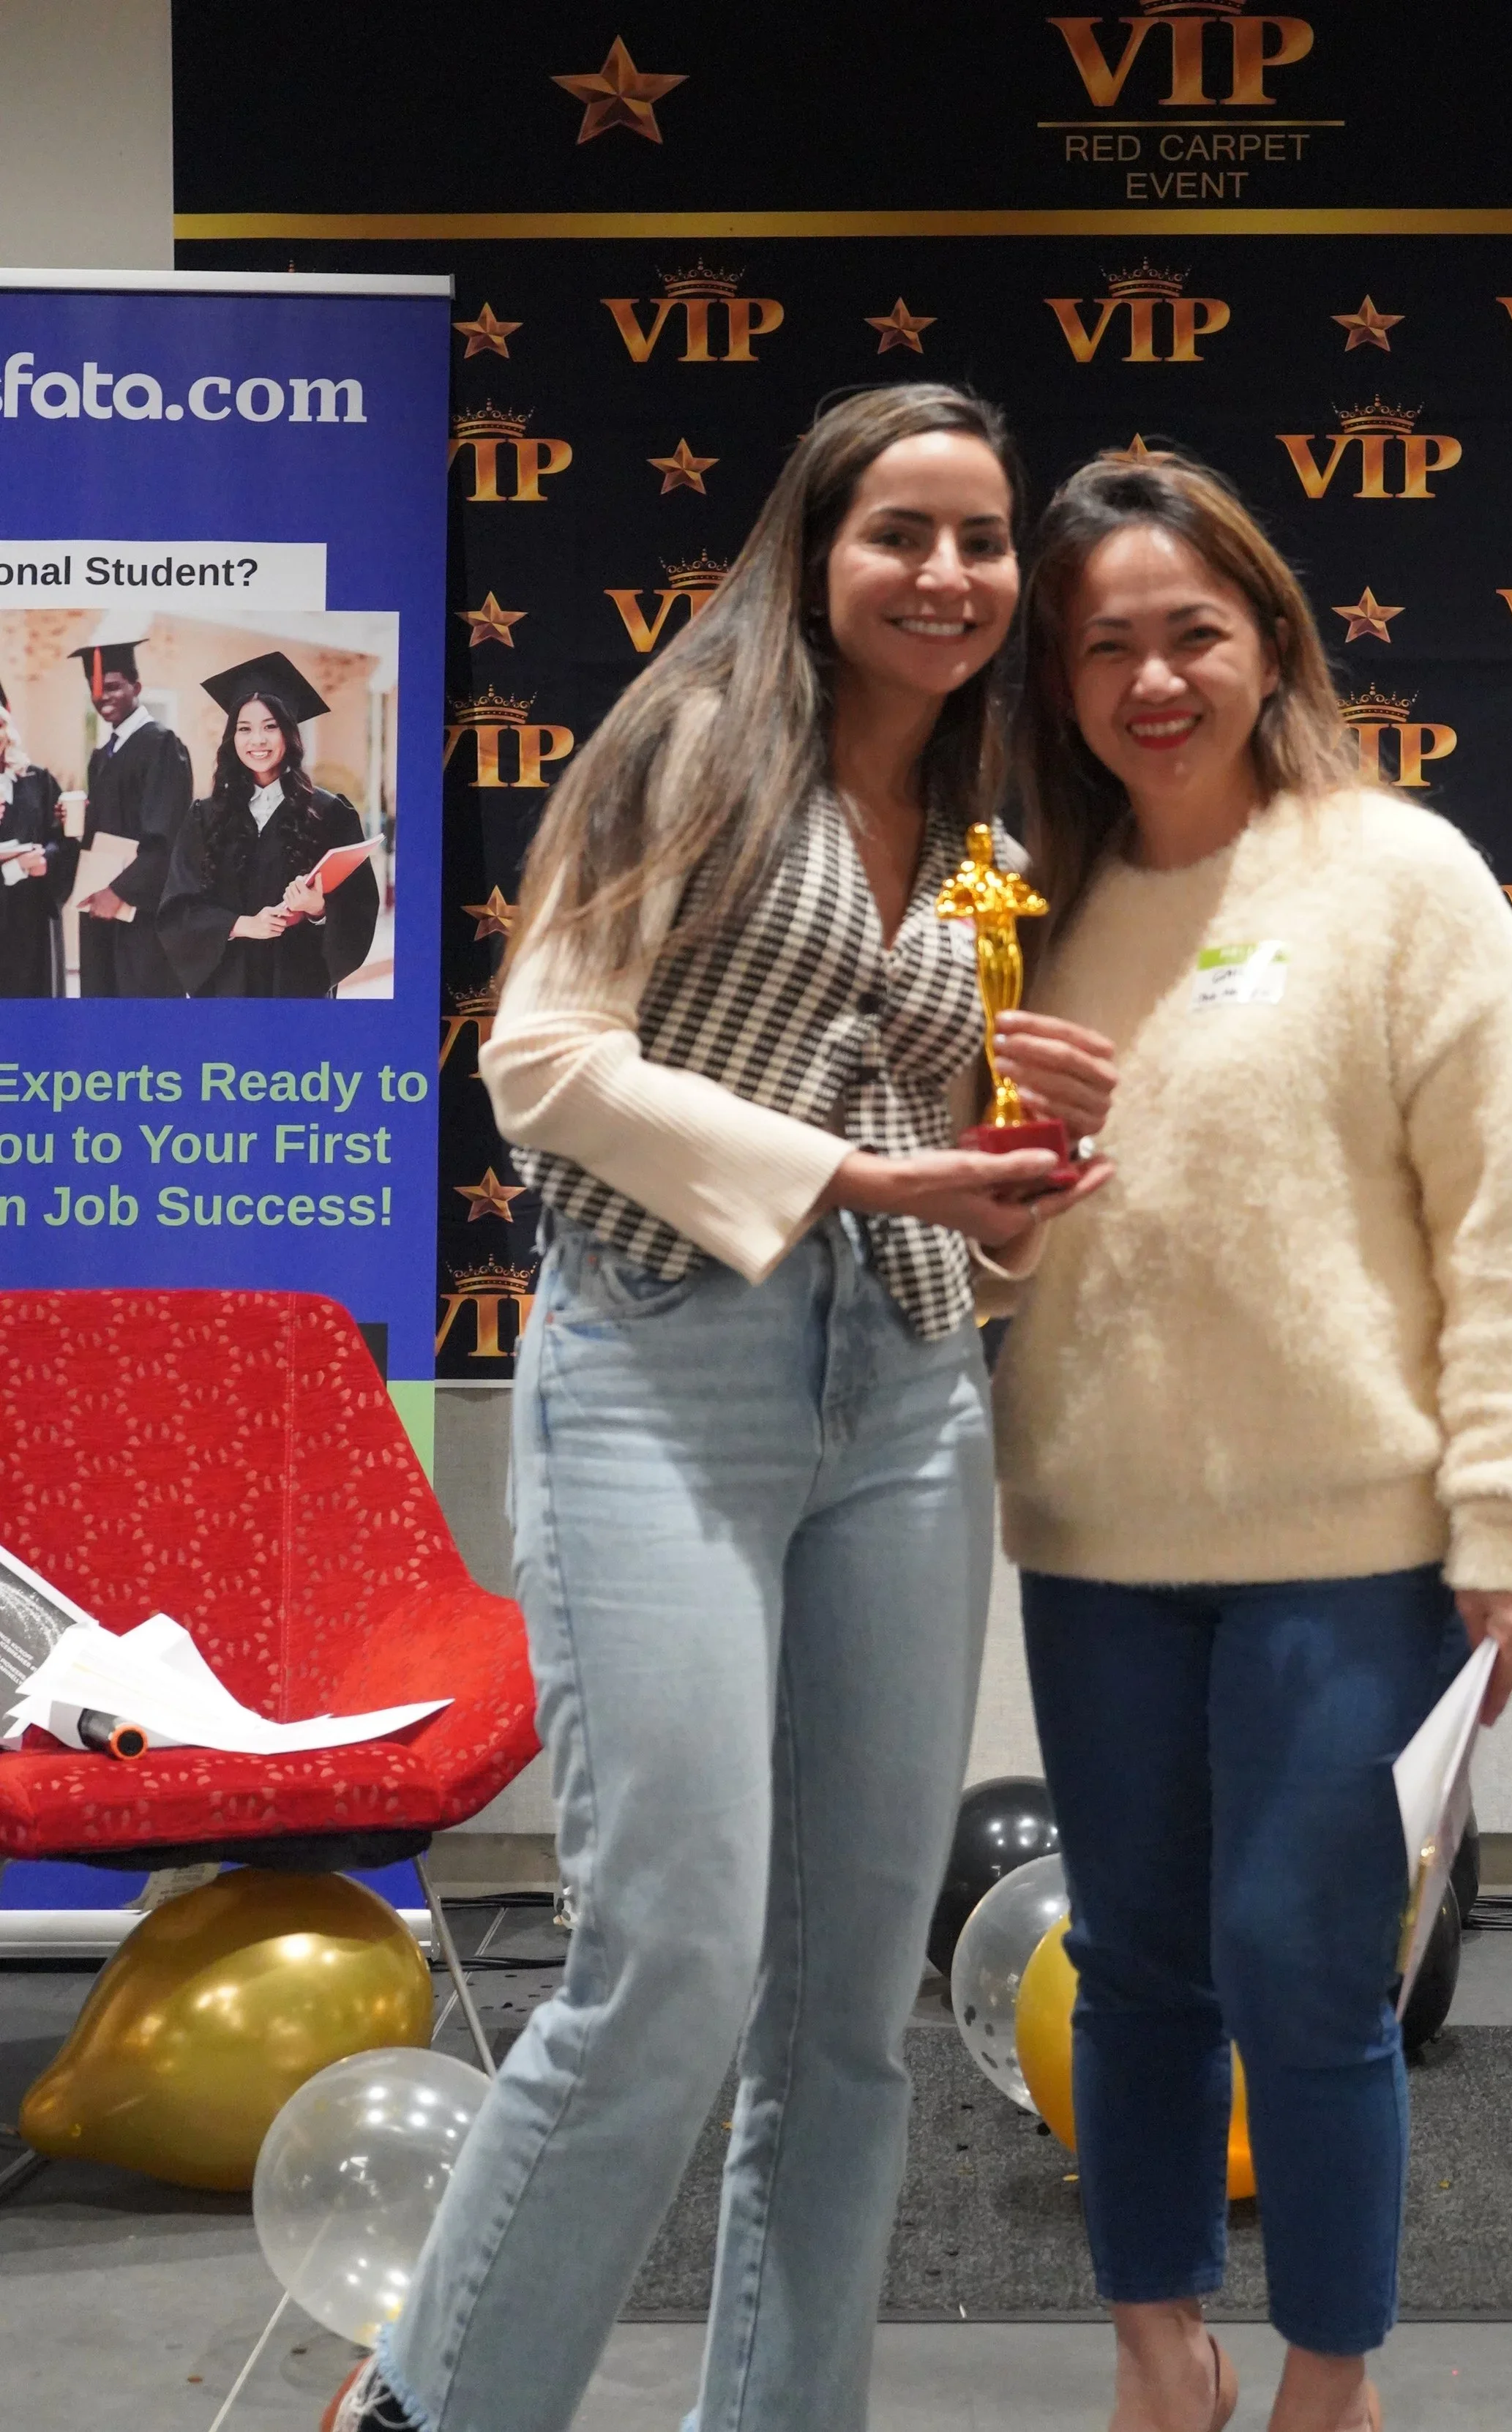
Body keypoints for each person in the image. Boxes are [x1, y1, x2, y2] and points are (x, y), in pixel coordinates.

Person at [323, 383, 1117, 2432]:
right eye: (902, 534)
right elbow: (546, 1062)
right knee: (668, 1959)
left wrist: (1015, 1174)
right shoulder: (682, 751)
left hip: (911, 1396)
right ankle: (436, 2403)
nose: (947, 576)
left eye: (981, 541)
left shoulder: (981, 831)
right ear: (812, 552)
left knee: (844, 2016)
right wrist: (856, 1172)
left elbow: (933, 1137)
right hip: (665, 1374)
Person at [981, 449, 1512, 2432]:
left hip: (1355, 1543)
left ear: (1265, 640)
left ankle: (1334, 2374)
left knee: (1301, 1968)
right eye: (1103, 648)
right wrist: (1002, 1176)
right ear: (1056, 681)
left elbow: (1506, 1214)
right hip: (1097, 1537)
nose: (1150, 680)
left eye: (1189, 634)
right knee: (1139, 1960)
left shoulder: (1396, 875)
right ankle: (1158, 2346)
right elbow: (973, 1258)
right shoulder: (1020, 914)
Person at [158, 651, 380, 998]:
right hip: (226, 989)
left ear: (289, 734)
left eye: (270, 727)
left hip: (297, 986)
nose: (257, 741)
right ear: (232, 738)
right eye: (244, 729)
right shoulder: (205, 815)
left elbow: (360, 907)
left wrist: (318, 909)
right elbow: (178, 908)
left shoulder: (328, 813)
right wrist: (241, 925)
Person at [67, 624, 192, 998]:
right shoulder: (102, 755)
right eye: (95, 689)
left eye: (113, 686)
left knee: (142, 1015)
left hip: (141, 913)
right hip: (101, 909)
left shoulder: (162, 746)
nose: (102, 697)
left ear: (137, 688)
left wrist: (120, 891)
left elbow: (166, 837)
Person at [0, 683, 77, 997]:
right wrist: (12, 869)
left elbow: (62, 841)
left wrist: (47, 860)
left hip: (30, 927)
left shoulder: (37, 781)